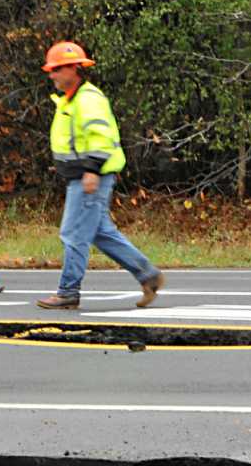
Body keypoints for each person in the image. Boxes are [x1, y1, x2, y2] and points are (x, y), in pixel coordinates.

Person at [36, 41, 163, 311]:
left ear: (73, 68)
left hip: (90, 176)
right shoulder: (71, 99)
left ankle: (68, 292)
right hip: (83, 175)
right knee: (101, 233)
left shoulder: (88, 99)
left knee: (73, 234)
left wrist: (91, 170)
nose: (52, 75)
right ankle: (148, 275)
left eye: (57, 69)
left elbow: (100, 138)